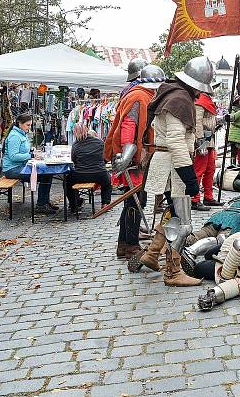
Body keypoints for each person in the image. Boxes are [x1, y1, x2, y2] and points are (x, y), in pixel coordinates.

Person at [129, 57, 214, 287]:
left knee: (173, 215)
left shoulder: (172, 93)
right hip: (173, 165)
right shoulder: (179, 100)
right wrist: (189, 176)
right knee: (183, 222)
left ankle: (152, 254)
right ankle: (173, 273)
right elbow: (176, 141)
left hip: (168, 162)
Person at [104, 64, 164, 259]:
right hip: (133, 158)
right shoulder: (139, 96)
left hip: (140, 155)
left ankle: (125, 244)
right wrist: (127, 155)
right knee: (135, 200)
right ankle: (129, 245)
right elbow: (129, 125)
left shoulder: (143, 95)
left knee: (135, 200)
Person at [2, 113, 58, 214]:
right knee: (44, 175)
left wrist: (32, 151)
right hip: (12, 169)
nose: (29, 127)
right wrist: (31, 156)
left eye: (30, 125)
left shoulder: (21, 134)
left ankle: (45, 201)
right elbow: (13, 156)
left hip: (21, 166)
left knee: (48, 173)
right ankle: (41, 205)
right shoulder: (15, 136)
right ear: (20, 124)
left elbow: (23, 150)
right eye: (27, 125)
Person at [65, 124, 111, 212]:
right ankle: (105, 203)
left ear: (75, 133)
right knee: (107, 181)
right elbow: (105, 157)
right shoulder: (99, 142)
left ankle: (74, 204)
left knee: (67, 182)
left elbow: (73, 160)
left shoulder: (76, 145)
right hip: (99, 174)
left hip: (80, 175)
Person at [191, 91, 223, 211]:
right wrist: (199, 140)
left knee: (210, 169)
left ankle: (208, 197)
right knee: (199, 170)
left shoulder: (207, 100)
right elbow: (197, 121)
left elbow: (209, 119)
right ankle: (195, 199)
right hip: (203, 140)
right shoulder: (200, 100)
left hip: (210, 140)